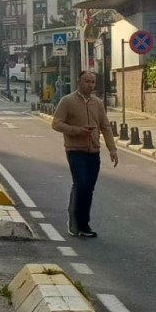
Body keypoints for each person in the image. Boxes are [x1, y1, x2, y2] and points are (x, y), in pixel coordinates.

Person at [52, 71, 118, 238]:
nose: (90, 85)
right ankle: (75, 223)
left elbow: (105, 126)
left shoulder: (98, 103)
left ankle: (84, 225)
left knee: (88, 189)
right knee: (80, 185)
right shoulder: (67, 101)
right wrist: (77, 131)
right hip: (75, 150)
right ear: (79, 82)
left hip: (93, 151)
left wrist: (112, 148)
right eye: (87, 81)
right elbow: (56, 123)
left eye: (92, 82)